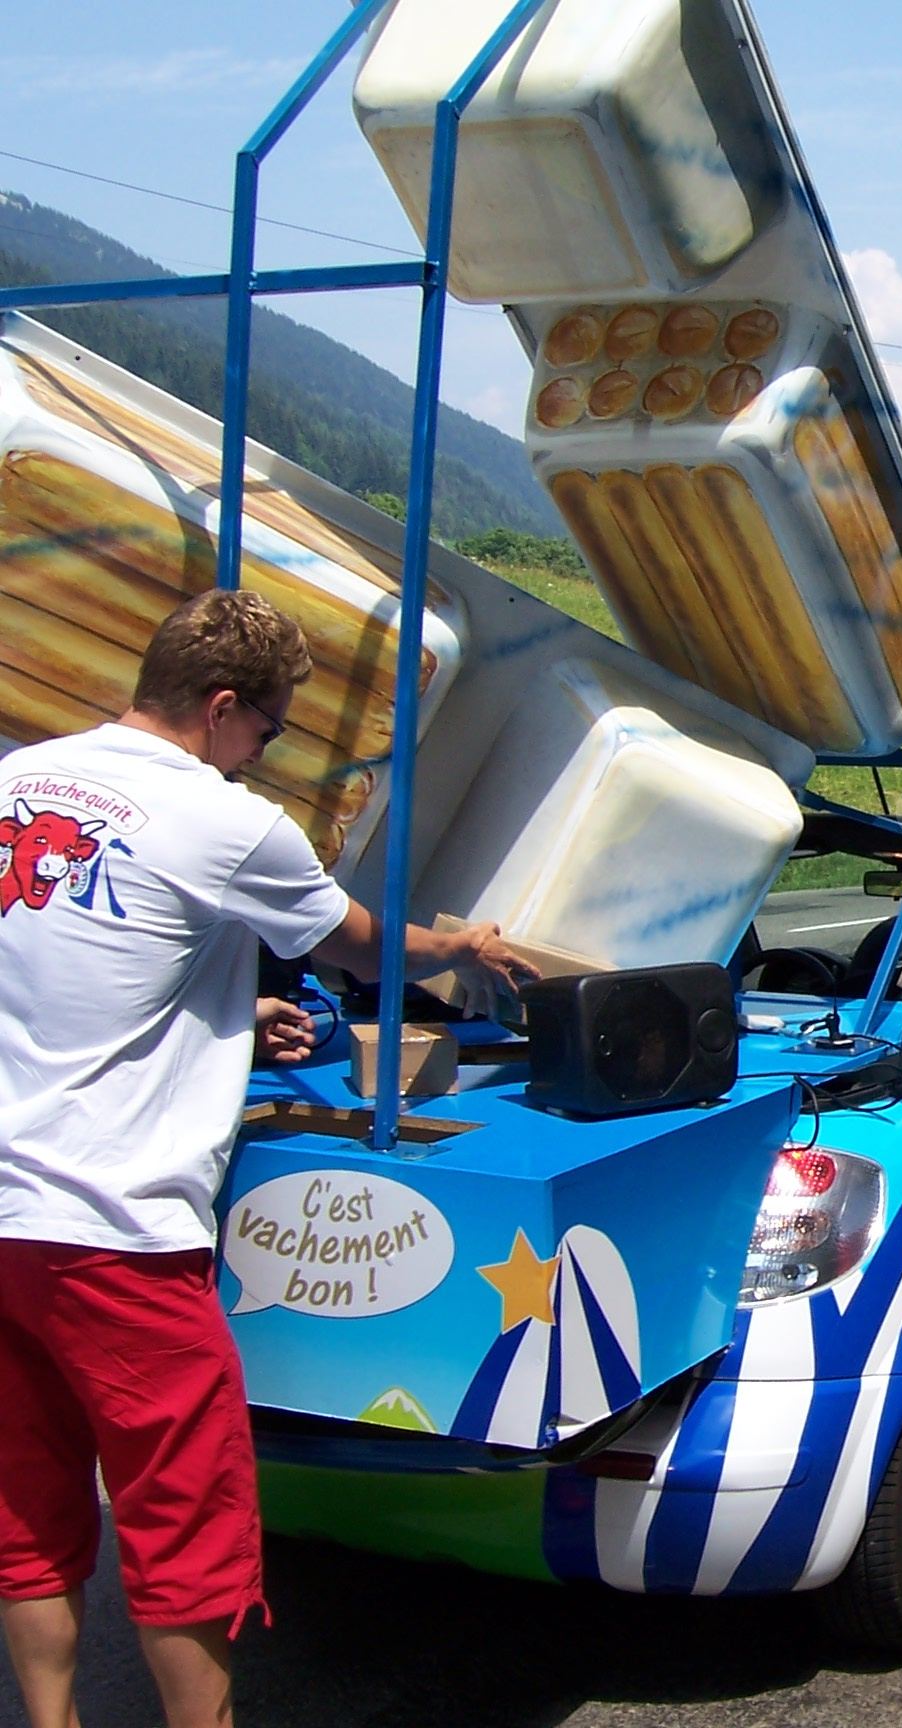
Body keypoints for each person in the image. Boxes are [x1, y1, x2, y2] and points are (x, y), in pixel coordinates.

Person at [0, 590, 532, 1728]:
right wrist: (464, 945)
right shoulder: (225, 819)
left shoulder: (21, 780)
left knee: (30, 1500)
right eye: (272, 730)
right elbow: (366, 945)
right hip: (116, 1232)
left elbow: (80, 955)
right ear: (224, 707)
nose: (269, 752)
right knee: (182, 1517)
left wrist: (230, 1015)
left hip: (5, 1220)